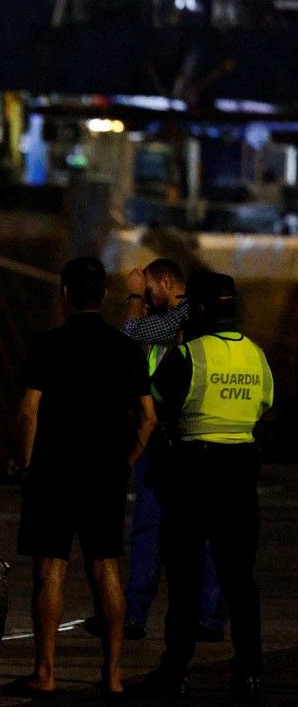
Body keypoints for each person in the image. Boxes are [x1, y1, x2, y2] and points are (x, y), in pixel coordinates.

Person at [3, 256, 155, 699]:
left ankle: (45, 673)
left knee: (50, 569)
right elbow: (148, 417)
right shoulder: (125, 349)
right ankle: (112, 676)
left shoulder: (48, 343)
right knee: (105, 567)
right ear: (104, 296)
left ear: (65, 294)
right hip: (104, 471)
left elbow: (28, 411)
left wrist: (26, 462)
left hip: (53, 470)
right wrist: (126, 460)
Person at [142, 271, 273, 699]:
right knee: (240, 576)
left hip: (193, 469)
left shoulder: (187, 356)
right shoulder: (256, 355)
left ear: (197, 310)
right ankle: (250, 667)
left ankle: (176, 668)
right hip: (240, 471)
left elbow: (154, 406)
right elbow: (264, 406)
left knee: (185, 575)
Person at [106, 259, 228, 643]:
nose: (148, 297)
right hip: (185, 440)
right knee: (177, 531)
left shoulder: (182, 318)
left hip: (173, 441)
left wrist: (133, 295)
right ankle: (190, 617)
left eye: (151, 288)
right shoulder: (188, 324)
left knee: (154, 529)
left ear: (164, 281)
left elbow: (127, 337)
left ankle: (141, 615)